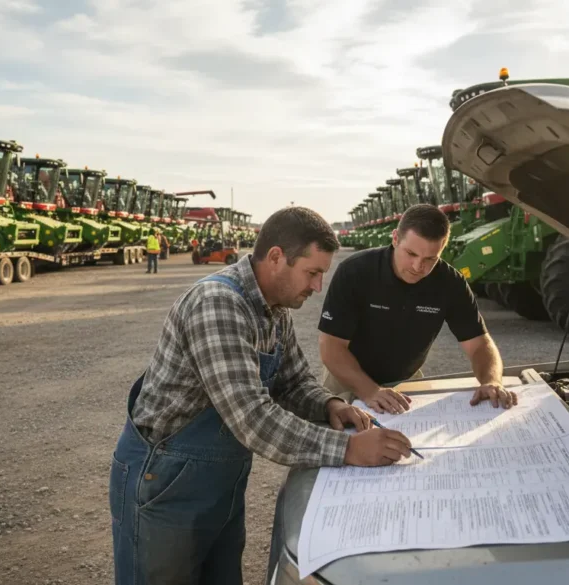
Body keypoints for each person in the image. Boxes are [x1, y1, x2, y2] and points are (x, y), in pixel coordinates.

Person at [110, 206, 413, 585]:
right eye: (313, 272)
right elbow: (252, 416)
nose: (317, 286)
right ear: (275, 258)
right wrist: (349, 449)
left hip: (218, 484)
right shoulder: (218, 304)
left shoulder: (274, 311)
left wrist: (331, 405)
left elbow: (293, 382)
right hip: (166, 485)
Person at [317, 203, 518, 414]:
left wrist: (491, 381)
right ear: (395, 238)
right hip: (346, 379)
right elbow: (331, 347)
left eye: (430, 258)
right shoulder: (355, 272)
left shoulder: (450, 283)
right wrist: (371, 391)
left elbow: (479, 344)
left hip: (406, 382)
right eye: (411, 254)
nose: (417, 267)